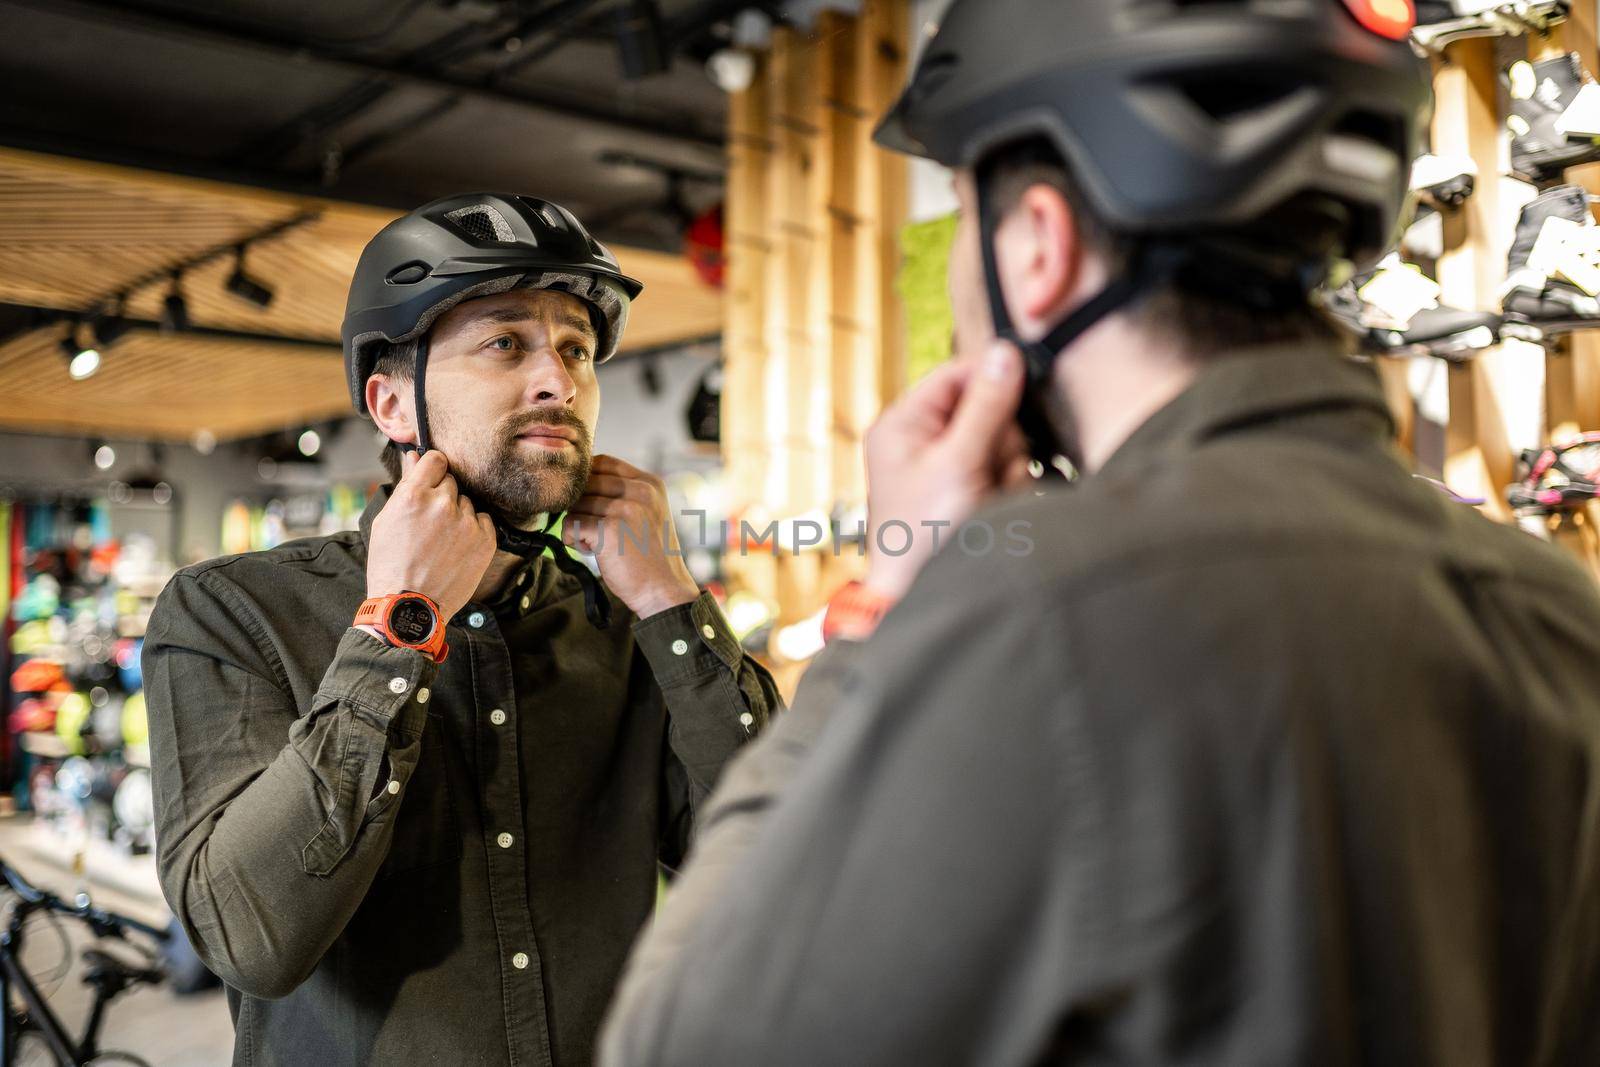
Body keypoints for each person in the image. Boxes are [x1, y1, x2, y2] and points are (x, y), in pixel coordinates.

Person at [599, 1, 1600, 1063]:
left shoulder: (1037, 621)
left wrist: (890, 606)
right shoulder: (1552, 606)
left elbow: (682, 1042)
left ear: (1037, 246)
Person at [143, 193, 780, 1066]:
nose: (558, 379)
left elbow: (787, 863)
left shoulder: (627, 624)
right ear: (393, 405)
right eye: (505, 344)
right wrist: (398, 633)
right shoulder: (234, 612)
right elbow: (250, 938)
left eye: (576, 349)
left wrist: (672, 600)